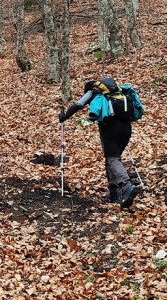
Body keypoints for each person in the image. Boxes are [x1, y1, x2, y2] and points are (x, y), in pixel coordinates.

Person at [59, 77, 141, 208]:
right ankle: (115, 193)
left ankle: (126, 185)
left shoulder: (94, 92)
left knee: (112, 159)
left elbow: (79, 104)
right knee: (112, 159)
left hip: (110, 128)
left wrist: (65, 116)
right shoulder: (119, 92)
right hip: (126, 129)